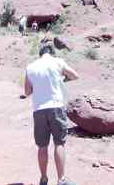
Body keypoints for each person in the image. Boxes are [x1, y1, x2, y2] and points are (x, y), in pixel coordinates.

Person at [25, 41, 78, 185]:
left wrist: (39, 86)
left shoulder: (30, 67)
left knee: (42, 146)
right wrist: (61, 80)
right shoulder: (58, 62)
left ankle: (43, 179)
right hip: (56, 107)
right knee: (59, 144)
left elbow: (27, 91)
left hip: (39, 109)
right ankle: (61, 180)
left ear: (40, 54)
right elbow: (74, 75)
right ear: (52, 52)